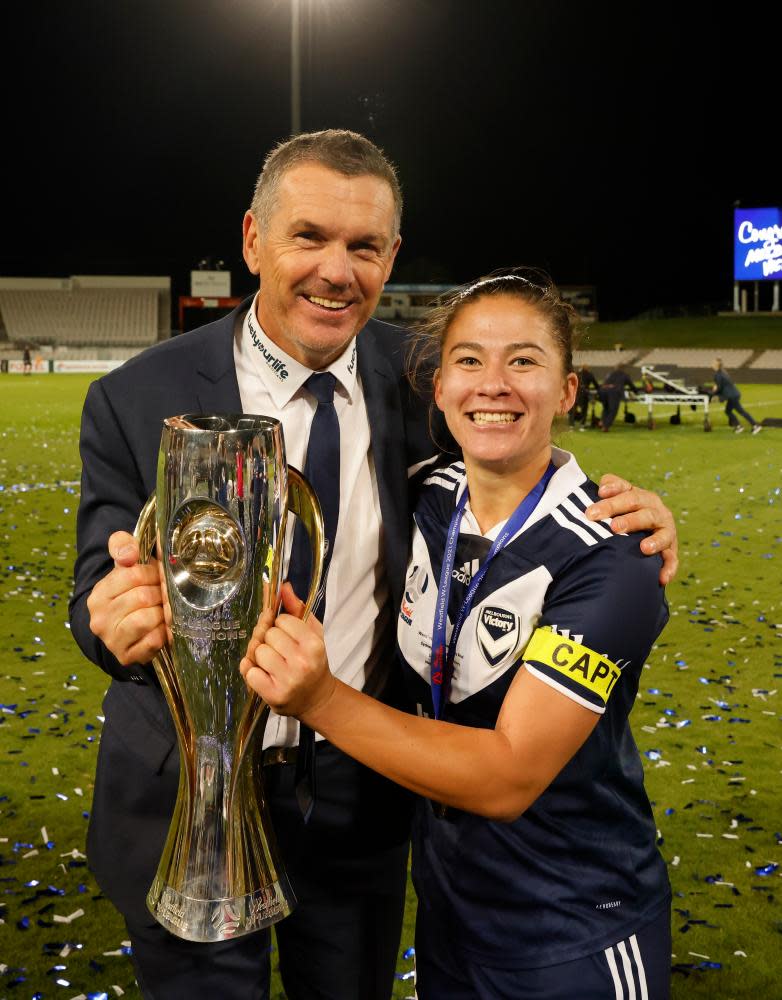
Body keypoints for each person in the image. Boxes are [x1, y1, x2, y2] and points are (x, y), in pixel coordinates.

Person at [69, 131, 677, 1000]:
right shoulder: (134, 397)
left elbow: (511, 457)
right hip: (181, 794)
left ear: (391, 256)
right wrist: (109, 620)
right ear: (252, 240)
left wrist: (637, 517)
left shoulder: (424, 378)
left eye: (364, 247)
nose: (336, 271)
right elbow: (93, 590)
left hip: (357, 794)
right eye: (308, 237)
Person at [243, 273, 672, 999]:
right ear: (439, 389)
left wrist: (319, 700)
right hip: (449, 919)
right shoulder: (427, 495)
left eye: (526, 361)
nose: (494, 385)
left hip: (575, 932)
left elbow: (508, 777)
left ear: (568, 390)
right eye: (470, 360)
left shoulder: (611, 557)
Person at [710, 357, 761, 434]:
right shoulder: (723, 373)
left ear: (716, 365)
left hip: (732, 396)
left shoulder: (718, 375)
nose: (711, 364)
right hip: (734, 395)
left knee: (741, 411)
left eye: (713, 363)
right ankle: (739, 426)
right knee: (728, 411)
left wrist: (713, 393)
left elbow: (719, 388)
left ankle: (755, 425)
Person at [599, 363, 638, 431]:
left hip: (603, 390)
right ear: (624, 369)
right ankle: (606, 426)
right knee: (613, 410)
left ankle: (602, 421)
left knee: (606, 407)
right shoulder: (624, 375)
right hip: (613, 392)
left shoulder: (610, 373)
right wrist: (636, 392)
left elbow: (604, 382)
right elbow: (631, 385)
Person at [569, 362, 599, 429]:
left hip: (575, 393)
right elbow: (596, 385)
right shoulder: (590, 374)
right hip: (584, 394)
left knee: (573, 410)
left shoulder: (577, 373)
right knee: (584, 410)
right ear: (588, 368)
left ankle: (571, 425)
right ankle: (582, 425)